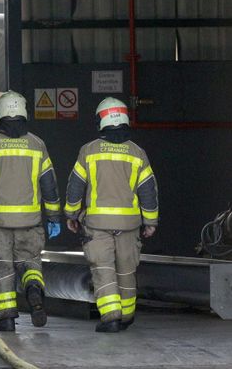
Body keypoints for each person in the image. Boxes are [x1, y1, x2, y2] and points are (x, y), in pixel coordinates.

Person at [0, 91, 61, 332]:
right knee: (30, 263)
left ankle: (7, 318)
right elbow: (49, 184)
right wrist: (53, 216)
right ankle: (33, 290)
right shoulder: (37, 144)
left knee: (3, 269)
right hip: (29, 223)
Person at [64, 97, 159, 333]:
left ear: (101, 120)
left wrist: (72, 214)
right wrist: (150, 221)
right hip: (129, 226)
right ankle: (127, 315)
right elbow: (148, 190)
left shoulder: (89, 151)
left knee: (103, 269)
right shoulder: (138, 153)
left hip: (97, 225)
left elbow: (75, 187)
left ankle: (111, 317)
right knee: (127, 269)